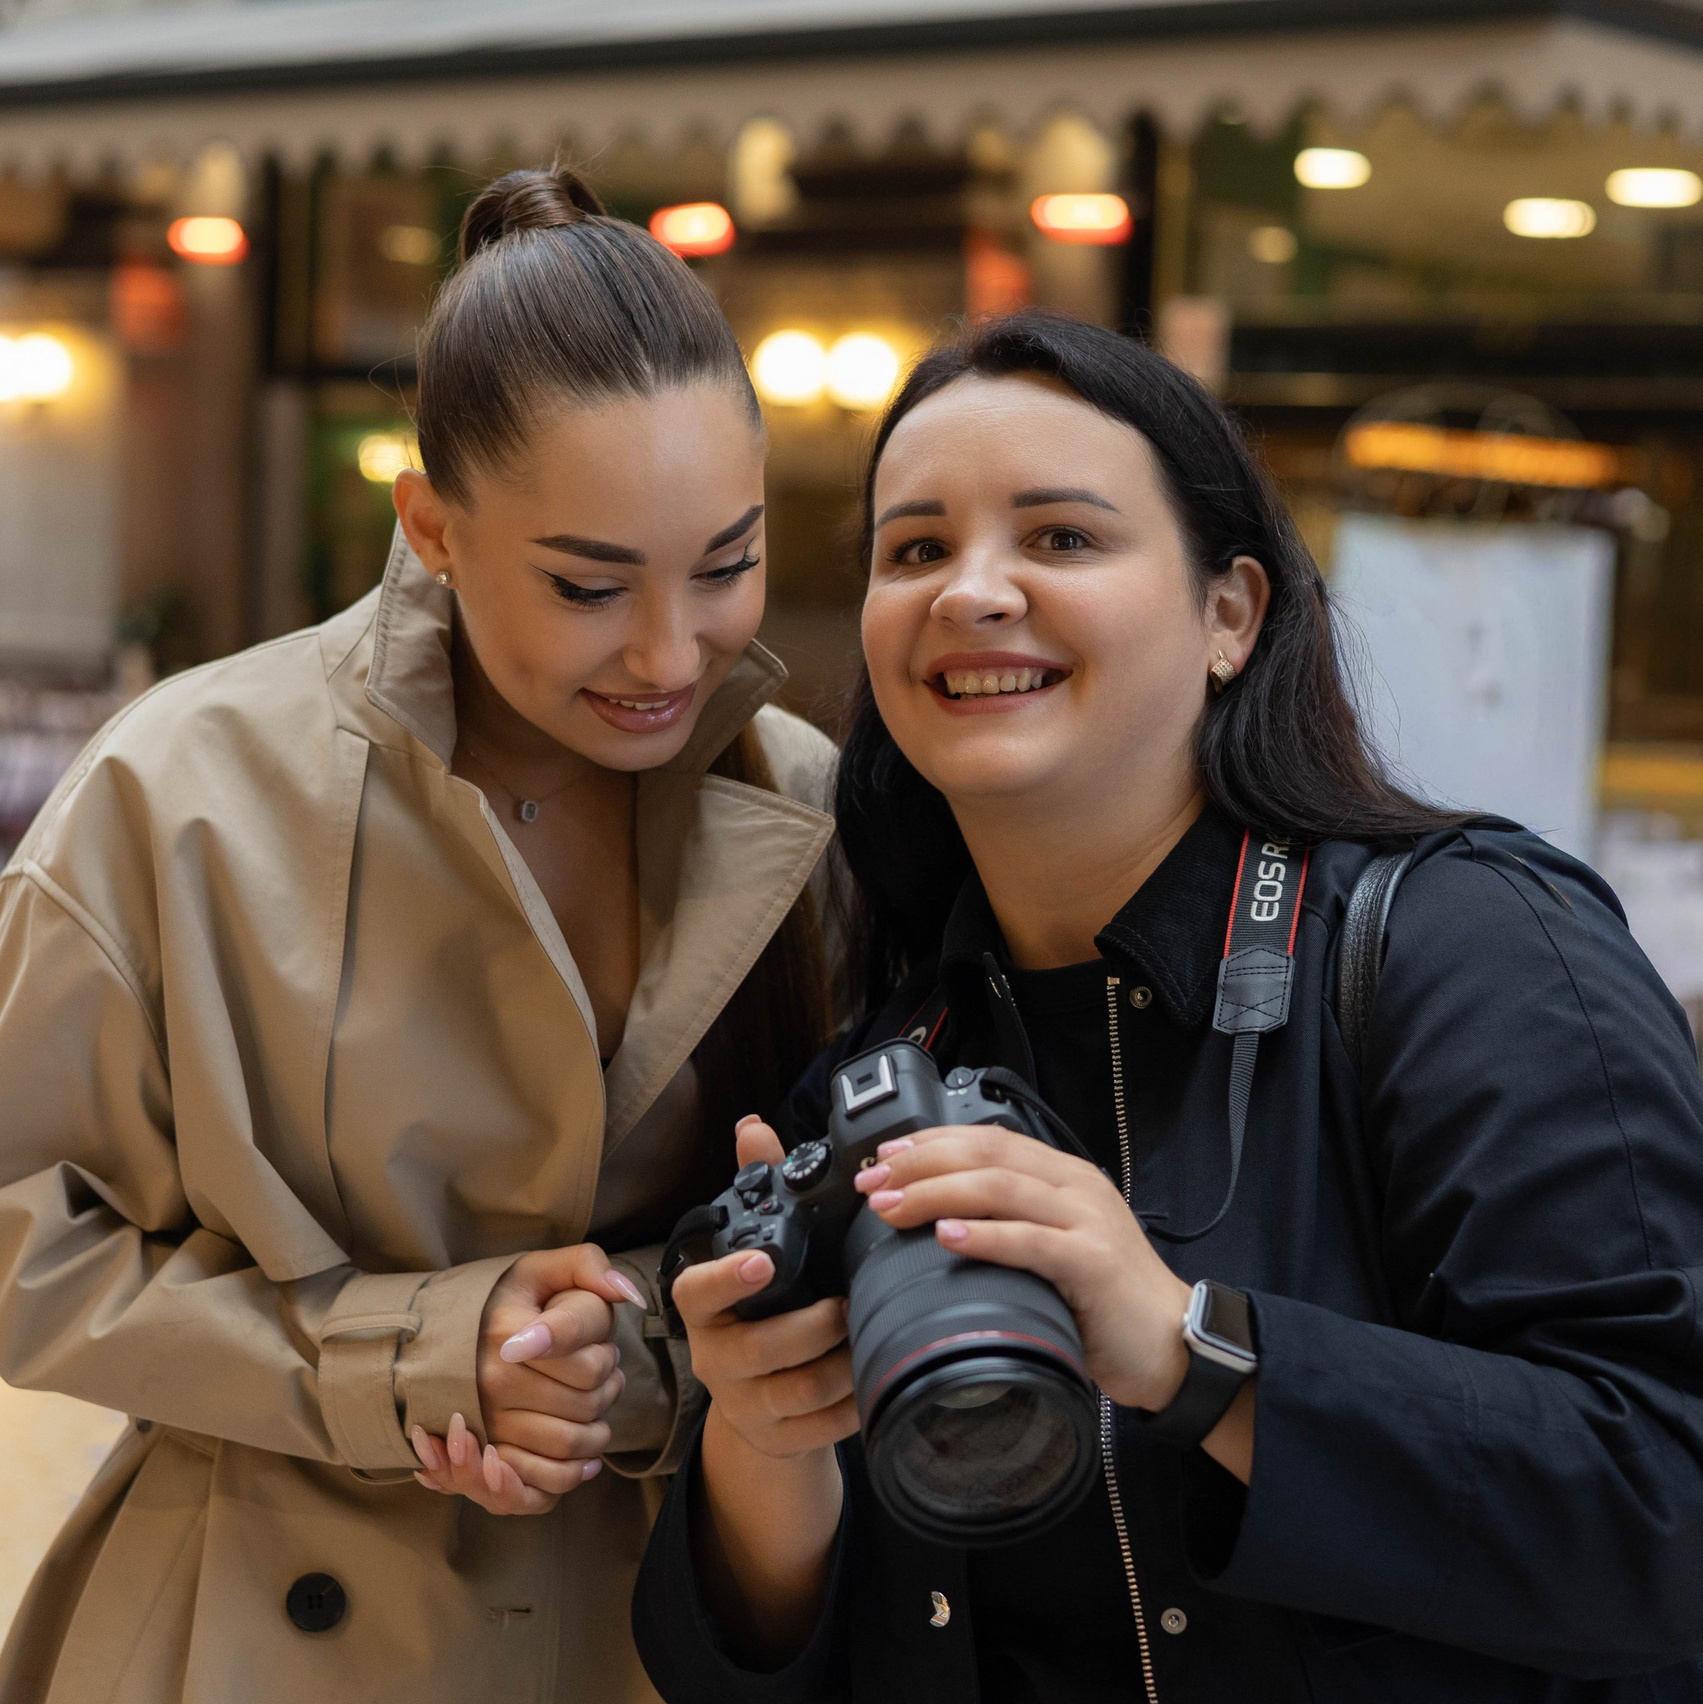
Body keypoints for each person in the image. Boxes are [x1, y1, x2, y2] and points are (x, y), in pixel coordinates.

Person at [636, 311, 1703, 1703]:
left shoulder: (1468, 947)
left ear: (1229, 614)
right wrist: (765, 1445)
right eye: (915, 549)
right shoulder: (878, 1078)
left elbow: (1663, 1502)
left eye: (1062, 538)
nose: (973, 591)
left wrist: (1196, 1349)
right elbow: (766, 1668)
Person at [0, 164, 836, 1704]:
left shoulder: (804, 806)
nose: (669, 652)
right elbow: (17, 1238)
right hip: (252, 1624)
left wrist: (621, 1361)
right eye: (589, 584)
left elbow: (844, 1220)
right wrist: (407, 1354)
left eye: (727, 563)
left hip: (665, 1619)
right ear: (431, 525)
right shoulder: (178, 789)